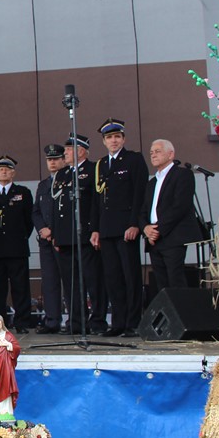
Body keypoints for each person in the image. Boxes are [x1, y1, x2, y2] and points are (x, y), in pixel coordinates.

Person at [91, 119, 148, 338]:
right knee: (112, 278)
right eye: (109, 138)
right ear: (104, 142)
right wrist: (95, 229)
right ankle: (118, 322)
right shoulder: (101, 165)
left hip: (126, 228)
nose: (113, 141)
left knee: (130, 276)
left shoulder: (133, 159)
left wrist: (135, 223)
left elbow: (139, 193)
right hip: (106, 229)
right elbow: (97, 200)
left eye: (117, 137)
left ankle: (133, 323)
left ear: (123, 139)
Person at [52, 136, 106, 335]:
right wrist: (56, 233)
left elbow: (97, 203)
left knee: (93, 281)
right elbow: (56, 206)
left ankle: (97, 321)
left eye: (69, 149)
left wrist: (96, 229)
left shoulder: (93, 169)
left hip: (86, 235)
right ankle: (76, 322)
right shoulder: (62, 173)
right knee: (71, 283)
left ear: (81, 151)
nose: (65, 153)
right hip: (65, 237)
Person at [140, 139, 203, 289]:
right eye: (151, 152)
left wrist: (157, 230)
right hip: (154, 239)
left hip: (173, 236)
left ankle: (181, 306)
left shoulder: (183, 175)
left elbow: (180, 206)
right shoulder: (152, 183)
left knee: (175, 279)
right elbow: (143, 210)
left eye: (158, 151)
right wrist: (145, 228)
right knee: (161, 283)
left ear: (170, 154)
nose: (153, 155)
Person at [0, 156, 34, 330]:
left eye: (7, 169)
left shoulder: (23, 193)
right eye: (0, 169)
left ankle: (22, 322)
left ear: (13, 173)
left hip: (17, 247)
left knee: (20, 287)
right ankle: (0, 323)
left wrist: (19, 237)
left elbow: (29, 221)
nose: (4, 172)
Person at [32, 144, 67, 333]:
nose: (52, 163)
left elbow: (65, 211)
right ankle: (52, 320)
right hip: (45, 240)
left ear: (63, 160)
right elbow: (36, 211)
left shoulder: (68, 180)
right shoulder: (43, 184)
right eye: (49, 160)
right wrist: (42, 229)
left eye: (56, 159)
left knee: (68, 281)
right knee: (49, 281)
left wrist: (54, 231)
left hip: (62, 240)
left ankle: (74, 321)